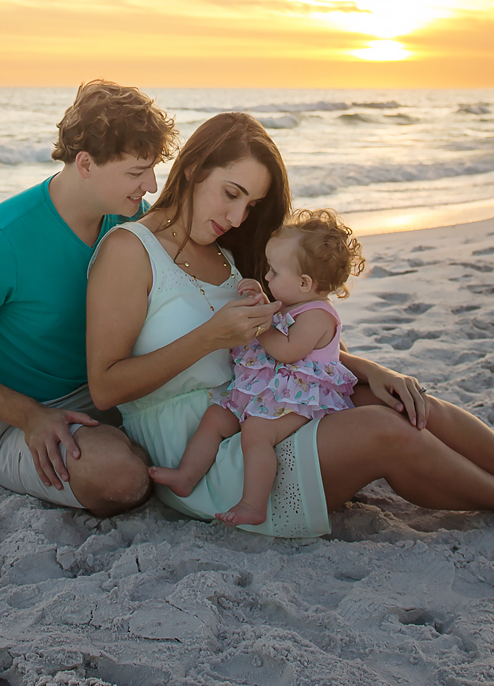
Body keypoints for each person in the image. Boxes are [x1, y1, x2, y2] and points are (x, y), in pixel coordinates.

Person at [87, 112, 494, 536]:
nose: (236, 217)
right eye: (231, 194)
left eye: (249, 206)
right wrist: (212, 336)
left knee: (409, 402)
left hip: (263, 404)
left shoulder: (233, 255)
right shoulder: (129, 249)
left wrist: (366, 368)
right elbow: (106, 386)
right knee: (385, 430)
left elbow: (288, 341)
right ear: (193, 168)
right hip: (203, 446)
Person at [0, 80, 172, 517]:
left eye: (152, 168)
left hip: (108, 391)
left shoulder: (130, 218)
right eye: (136, 171)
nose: (151, 183)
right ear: (86, 163)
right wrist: (30, 416)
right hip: (14, 420)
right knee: (119, 478)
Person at [148, 208, 363, 527]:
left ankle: (253, 503)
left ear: (304, 283)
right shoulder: (294, 302)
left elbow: (287, 351)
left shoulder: (318, 315)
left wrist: (261, 323)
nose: (267, 276)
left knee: (256, 433)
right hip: (266, 393)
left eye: (274, 272)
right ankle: (186, 475)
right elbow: (276, 324)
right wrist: (263, 301)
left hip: (298, 399)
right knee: (215, 418)